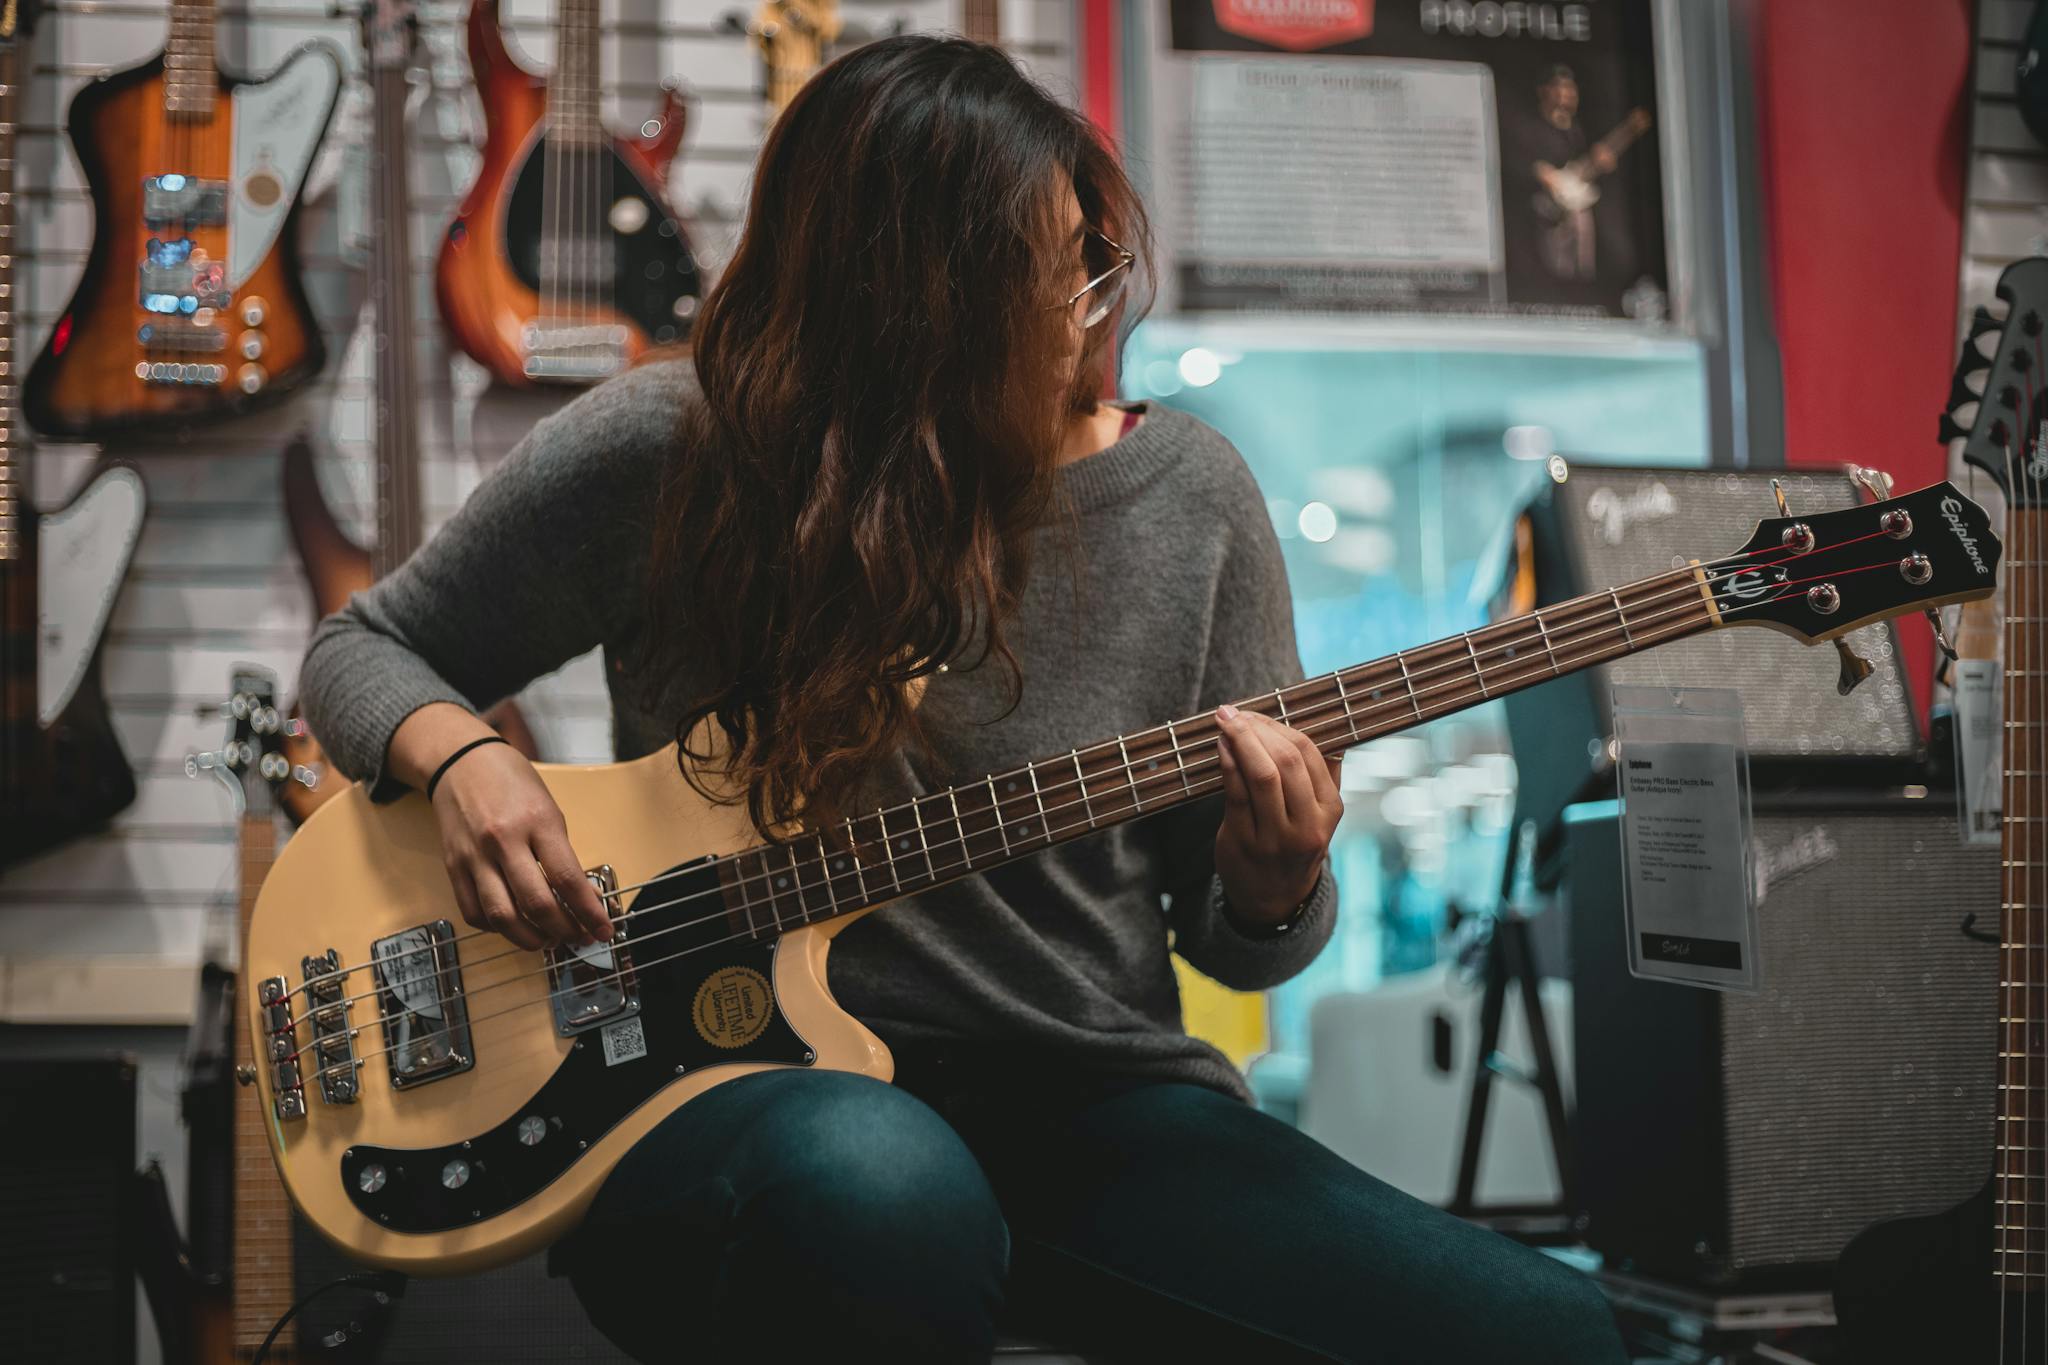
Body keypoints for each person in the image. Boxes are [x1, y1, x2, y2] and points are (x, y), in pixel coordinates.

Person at [300, 34, 1628, 1365]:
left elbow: (1235, 948)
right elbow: (364, 651)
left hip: (1087, 1113)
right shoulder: (674, 452)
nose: (1093, 311)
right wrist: (461, 759)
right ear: (914, 312)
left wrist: (1276, 877)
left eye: (1096, 259)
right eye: (1053, 278)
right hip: (696, 1092)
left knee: (1554, 1334)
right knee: (884, 1187)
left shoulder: (1190, 498)